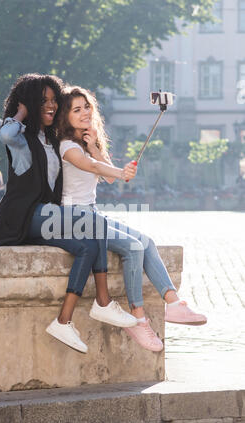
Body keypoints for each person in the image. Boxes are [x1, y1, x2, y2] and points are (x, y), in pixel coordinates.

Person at [0, 73, 138, 354]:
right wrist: (22, 110)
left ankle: (63, 321)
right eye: (43, 101)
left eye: (53, 100)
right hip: (24, 215)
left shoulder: (53, 139)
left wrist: (93, 144)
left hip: (47, 216)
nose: (49, 105)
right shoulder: (22, 140)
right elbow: (4, 134)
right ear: (31, 104)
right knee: (95, 223)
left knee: (86, 246)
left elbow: (90, 166)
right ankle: (103, 301)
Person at [56, 85, 207, 352]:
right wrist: (118, 170)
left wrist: (95, 147)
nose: (84, 113)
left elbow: (109, 175)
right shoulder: (67, 146)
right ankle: (138, 319)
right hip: (73, 216)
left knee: (146, 241)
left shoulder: (85, 143)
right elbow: (93, 167)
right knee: (133, 247)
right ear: (65, 117)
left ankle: (173, 304)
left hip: (90, 213)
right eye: (76, 110)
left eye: (87, 107)